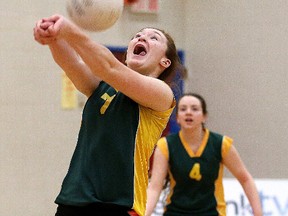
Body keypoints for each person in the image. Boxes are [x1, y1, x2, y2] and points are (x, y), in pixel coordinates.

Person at [33, 14, 185, 216]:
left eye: (153, 37)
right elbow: (72, 64)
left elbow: (109, 68)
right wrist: (53, 37)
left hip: (119, 205)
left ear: (165, 62)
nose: (141, 38)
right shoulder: (102, 87)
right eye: (138, 35)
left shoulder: (162, 94)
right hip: (74, 200)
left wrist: (71, 32)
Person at [145, 93, 263, 216]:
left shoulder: (221, 144)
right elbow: (154, 187)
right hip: (176, 212)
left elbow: (245, 179)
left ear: (204, 116)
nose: (188, 112)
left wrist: (258, 213)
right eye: (183, 109)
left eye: (195, 109)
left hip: (212, 212)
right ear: (178, 117)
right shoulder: (165, 145)